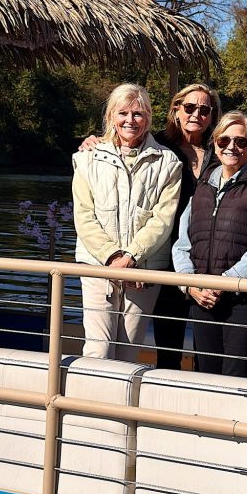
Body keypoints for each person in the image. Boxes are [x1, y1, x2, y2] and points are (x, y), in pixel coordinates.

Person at [172, 111, 247, 377]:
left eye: (241, 142)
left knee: (240, 377)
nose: (231, 147)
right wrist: (189, 282)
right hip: (202, 299)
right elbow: (182, 243)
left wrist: (225, 282)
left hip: (243, 301)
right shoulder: (203, 186)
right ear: (215, 142)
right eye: (224, 141)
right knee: (206, 377)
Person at [72, 83, 181, 360]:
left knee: (128, 351)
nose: (130, 120)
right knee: (98, 349)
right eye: (123, 113)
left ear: (148, 118)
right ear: (111, 116)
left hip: (142, 271)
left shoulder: (168, 163)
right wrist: (112, 257)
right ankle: (88, 404)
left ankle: (119, 404)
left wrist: (132, 257)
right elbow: (84, 215)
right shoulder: (87, 159)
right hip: (98, 268)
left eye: (138, 114)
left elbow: (163, 218)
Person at [151, 82, 221, 368]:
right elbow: (121, 142)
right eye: (190, 107)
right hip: (166, 254)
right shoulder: (156, 145)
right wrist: (92, 141)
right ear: (176, 110)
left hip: (207, 256)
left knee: (208, 346)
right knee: (168, 345)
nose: (196, 114)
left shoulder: (222, 152)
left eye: (204, 110)